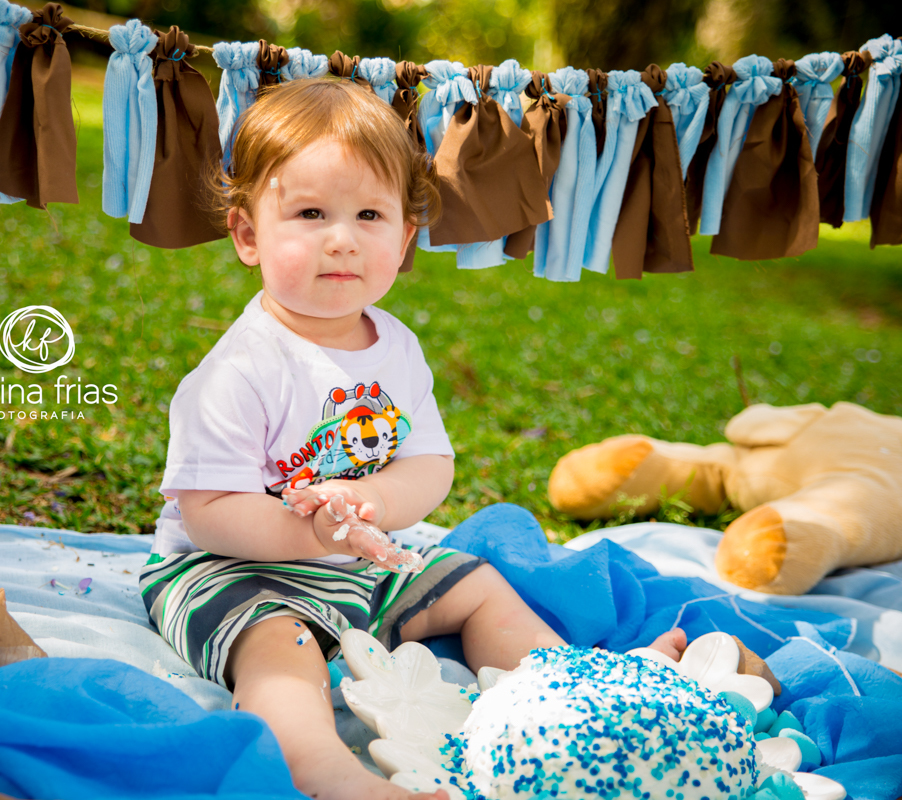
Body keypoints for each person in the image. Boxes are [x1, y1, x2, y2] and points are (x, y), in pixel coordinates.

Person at [139, 77, 686, 800]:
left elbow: (430, 463)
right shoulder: (239, 370)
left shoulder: (394, 348)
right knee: (281, 643)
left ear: (401, 239)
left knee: (476, 585)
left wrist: (370, 501)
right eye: (309, 213)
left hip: (360, 561)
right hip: (235, 570)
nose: (341, 238)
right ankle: (320, 765)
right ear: (247, 234)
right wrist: (317, 539)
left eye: (369, 214)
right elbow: (209, 511)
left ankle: (569, 692)